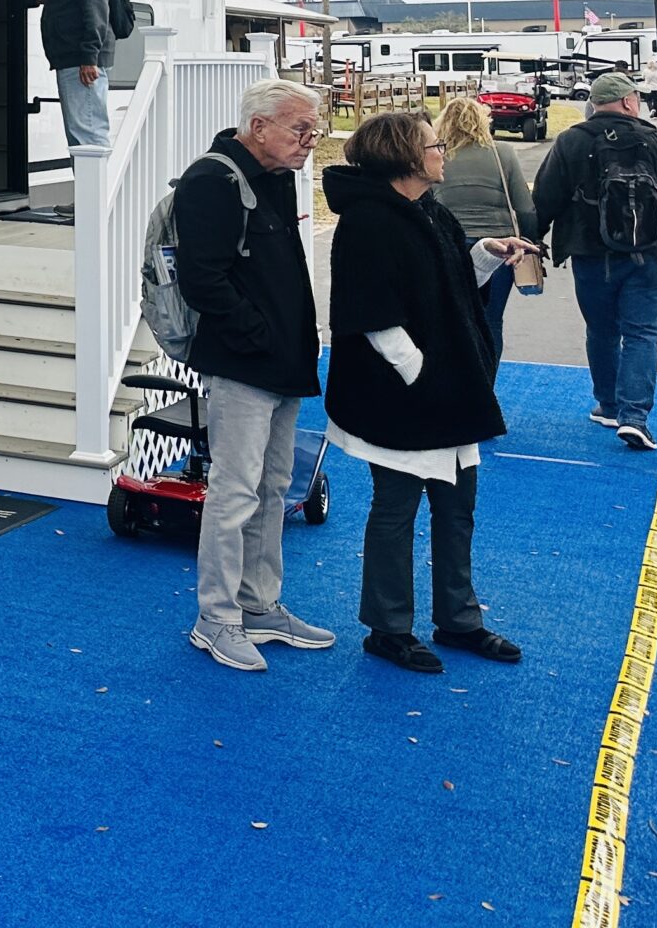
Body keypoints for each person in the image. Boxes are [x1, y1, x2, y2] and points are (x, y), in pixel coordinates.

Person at [325, 110, 533, 673]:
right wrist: (422, 375)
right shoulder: (369, 222)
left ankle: (458, 620)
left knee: (457, 504)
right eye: (433, 146)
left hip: (448, 393)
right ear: (404, 157)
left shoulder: (428, 212)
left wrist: (487, 255)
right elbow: (372, 316)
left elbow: (449, 283)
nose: (442, 151)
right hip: (401, 398)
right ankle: (388, 629)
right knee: (395, 508)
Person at [173, 77, 334, 672]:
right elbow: (203, 280)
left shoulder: (271, 178)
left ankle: (259, 606)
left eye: (313, 130)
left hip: (284, 362)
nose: (309, 141)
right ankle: (216, 618)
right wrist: (260, 337)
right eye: (300, 128)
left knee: (272, 489)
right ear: (258, 125)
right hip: (245, 365)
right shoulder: (213, 180)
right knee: (234, 493)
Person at [532, 72, 657, 450]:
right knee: (642, 332)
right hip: (650, 252)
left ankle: (609, 406)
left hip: (591, 254)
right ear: (628, 102)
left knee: (602, 330)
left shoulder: (571, 142)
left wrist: (534, 240)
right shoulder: (655, 139)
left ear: (594, 104)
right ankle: (635, 417)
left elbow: (545, 197)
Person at [428, 92, 541, 369]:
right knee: (491, 320)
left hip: (450, 245)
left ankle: (455, 381)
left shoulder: (439, 156)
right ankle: (486, 384)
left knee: (452, 317)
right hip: (500, 247)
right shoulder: (502, 152)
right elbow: (524, 206)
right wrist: (530, 240)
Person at [27, 0, 114, 150]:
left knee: (87, 136)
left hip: (81, 62)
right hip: (73, 60)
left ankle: (97, 188)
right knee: (80, 135)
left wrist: (89, 56)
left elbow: (96, 8)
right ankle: (91, 188)